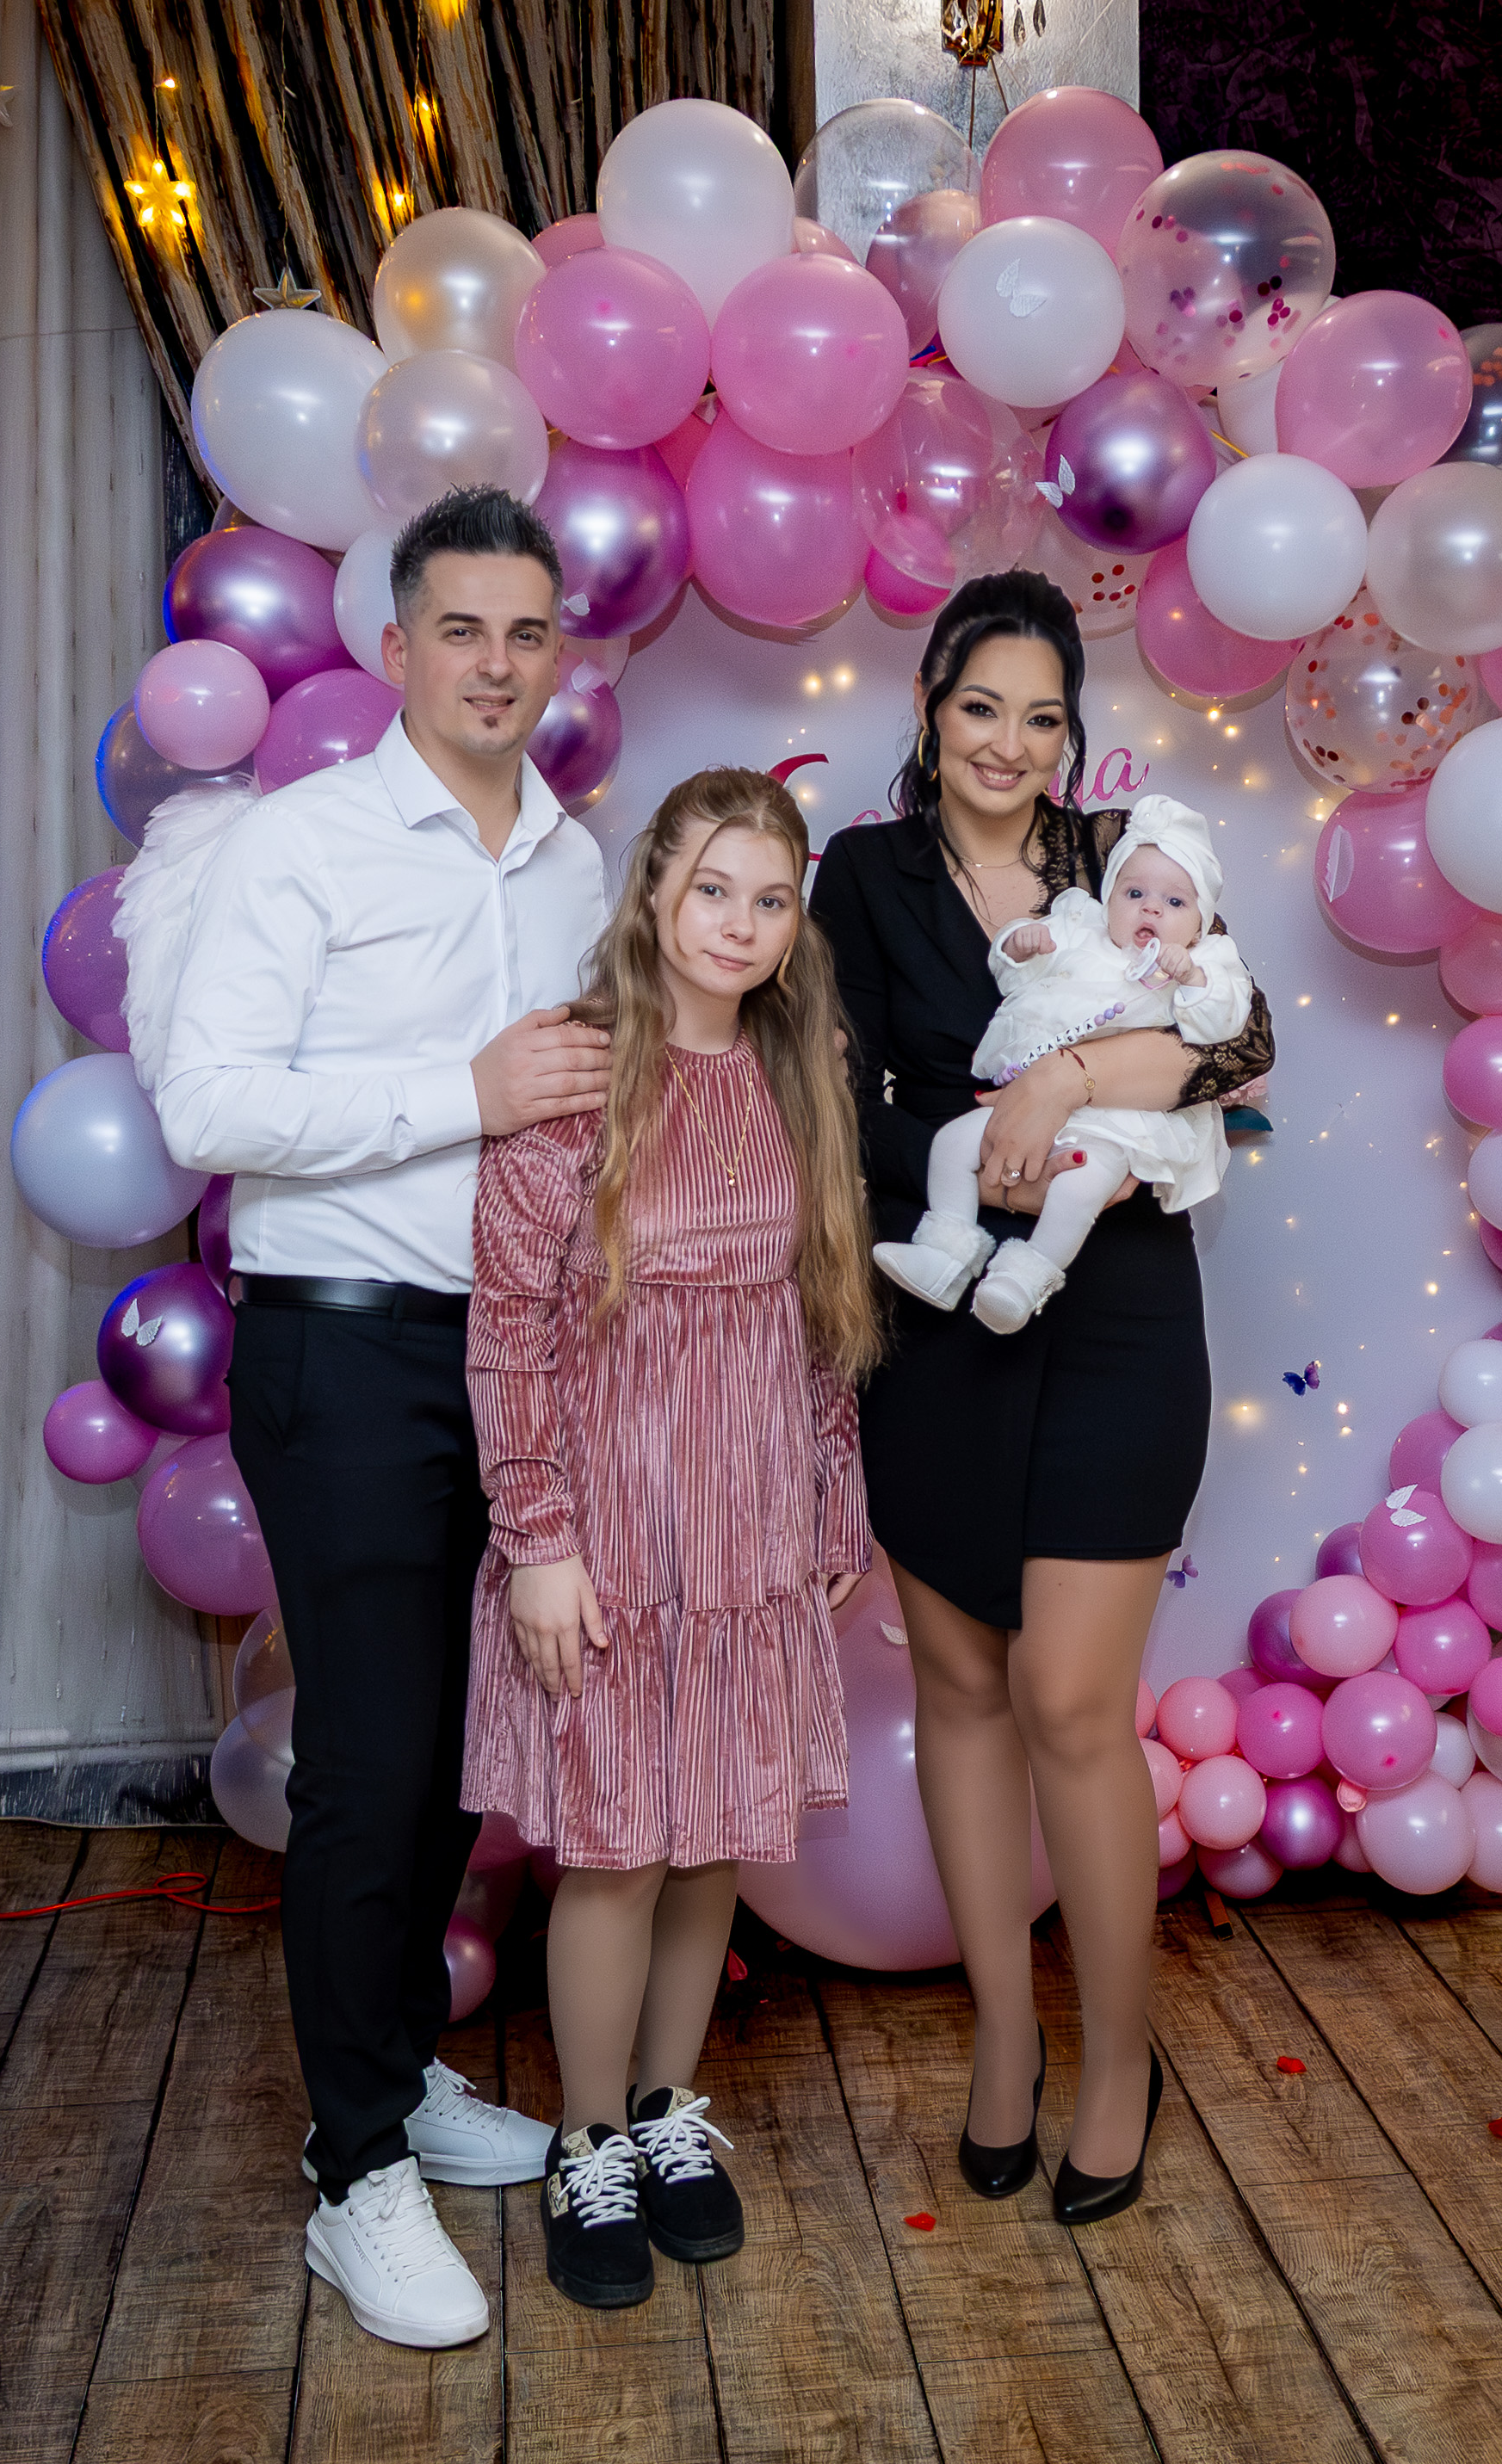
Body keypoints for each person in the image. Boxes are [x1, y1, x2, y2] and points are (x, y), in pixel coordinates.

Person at [151, 486, 611, 2349]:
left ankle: (399, 2074)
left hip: (518, 1355)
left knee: (461, 1753)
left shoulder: (576, 865)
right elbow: (205, 1106)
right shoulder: (306, 841)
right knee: (366, 1758)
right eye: (461, 630)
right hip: (342, 1349)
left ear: (556, 652)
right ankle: (352, 2174)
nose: (495, 664)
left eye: (525, 632)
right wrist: (460, 1091)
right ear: (399, 645)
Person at [809, 569, 1273, 2226]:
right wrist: (971, 1156)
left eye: (1043, 715)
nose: (1008, 741)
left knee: (1075, 1701)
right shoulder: (862, 875)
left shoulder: (1122, 856)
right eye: (980, 706)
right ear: (931, 707)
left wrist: (1067, 1076)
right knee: (961, 1686)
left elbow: (1238, 1046)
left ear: (1074, 732)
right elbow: (828, 1096)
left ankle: (1116, 2057)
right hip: (940, 1305)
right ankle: (1005, 2034)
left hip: (1119, 1310)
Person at [460, 768, 877, 2310]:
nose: (740, 923)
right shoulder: (579, 1076)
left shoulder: (798, 1073)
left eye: (770, 898)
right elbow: (511, 1332)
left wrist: (834, 1477)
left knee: (715, 1840)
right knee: (619, 1848)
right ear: (652, 893)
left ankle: (660, 2108)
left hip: (750, 1517)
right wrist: (539, 1535)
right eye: (713, 888)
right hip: (614, 1529)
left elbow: (821, 1314)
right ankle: (585, 2139)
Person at [874, 794, 1252, 1332]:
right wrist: (1021, 944)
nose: (1150, 909)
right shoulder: (1082, 930)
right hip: (1025, 1106)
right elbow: (1021, 979)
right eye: (1134, 893)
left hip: (1118, 1122)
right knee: (952, 1144)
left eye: (1174, 902)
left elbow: (1225, 1026)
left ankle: (1024, 1278)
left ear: (1199, 923)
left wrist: (1192, 979)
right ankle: (945, 1253)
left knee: (1081, 1186)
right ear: (1109, 896)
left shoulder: (1205, 962)